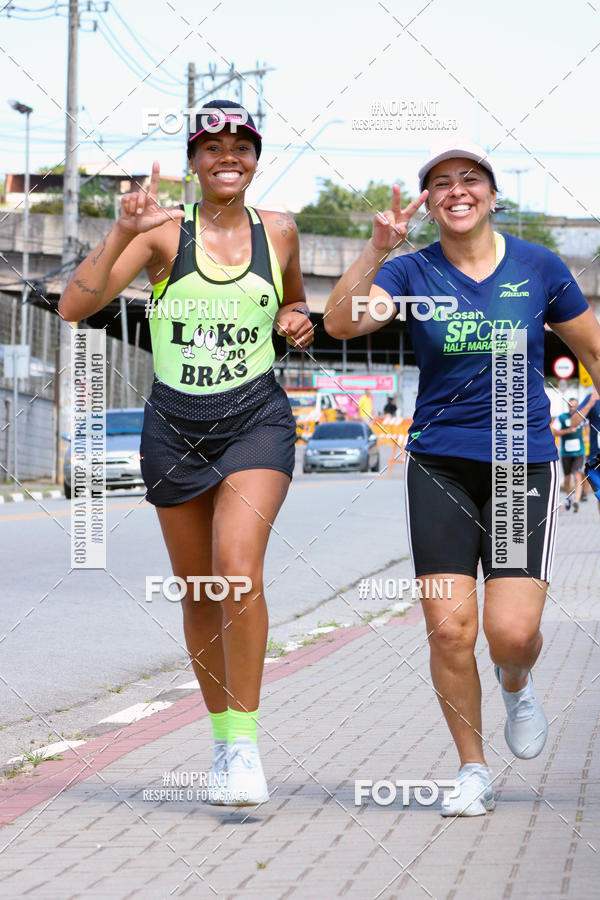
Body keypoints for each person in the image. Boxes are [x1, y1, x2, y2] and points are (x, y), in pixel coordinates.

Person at [324, 138, 600, 816]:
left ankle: (516, 683)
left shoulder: (538, 267)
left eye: (470, 178)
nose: (457, 190)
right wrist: (376, 250)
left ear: (492, 195)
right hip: (440, 462)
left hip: (519, 464)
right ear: (429, 202)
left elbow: (593, 349)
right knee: (450, 630)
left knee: (511, 636)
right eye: (441, 182)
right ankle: (471, 768)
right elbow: (340, 324)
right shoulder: (411, 271)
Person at [59, 99, 314, 806]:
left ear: (256, 158)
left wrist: (294, 317)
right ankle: (223, 740)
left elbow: (294, 301)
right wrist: (122, 230)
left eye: (241, 145)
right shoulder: (164, 234)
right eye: (212, 146)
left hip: (255, 420)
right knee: (200, 592)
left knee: (237, 570)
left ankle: (247, 746)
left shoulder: (280, 230)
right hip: (174, 427)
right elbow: (75, 307)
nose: (228, 156)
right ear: (194, 161)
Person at [553, 394, 597, 511]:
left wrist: (587, 436)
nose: (573, 408)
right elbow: (555, 431)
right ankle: (569, 498)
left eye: (575, 406)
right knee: (567, 479)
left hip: (579, 452)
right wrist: (567, 431)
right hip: (566, 452)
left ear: (578, 406)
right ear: (568, 406)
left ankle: (576, 501)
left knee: (578, 476)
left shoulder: (582, 416)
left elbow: (587, 426)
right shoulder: (562, 418)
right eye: (571, 406)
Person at [579, 389, 600, 508]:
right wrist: (590, 403)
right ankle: (583, 493)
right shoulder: (593, 397)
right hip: (596, 457)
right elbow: (574, 421)